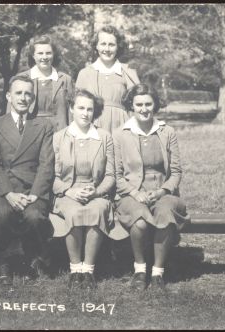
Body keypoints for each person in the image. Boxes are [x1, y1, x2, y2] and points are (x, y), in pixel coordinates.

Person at [113, 83, 190, 291]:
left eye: (148, 104)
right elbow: (116, 174)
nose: (144, 109)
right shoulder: (120, 134)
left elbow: (176, 172)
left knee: (165, 215)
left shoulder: (167, 131)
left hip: (163, 191)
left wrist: (162, 191)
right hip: (131, 193)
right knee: (139, 221)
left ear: (155, 105)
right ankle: (140, 270)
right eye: (139, 104)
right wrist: (134, 193)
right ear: (132, 106)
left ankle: (157, 273)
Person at [50, 89, 128, 289]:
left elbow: (111, 175)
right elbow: (53, 176)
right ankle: (75, 269)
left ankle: (88, 270)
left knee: (96, 210)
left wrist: (96, 192)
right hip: (67, 192)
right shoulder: (59, 137)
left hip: (97, 192)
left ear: (95, 112)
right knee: (74, 211)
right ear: (71, 109)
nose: (85, 113)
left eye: (90, 109)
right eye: (80, 108)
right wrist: (69, 191)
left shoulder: (104, 137)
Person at [0, 75, 55, 286]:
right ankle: (2, 262)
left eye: (28, 94)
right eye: (18, 93)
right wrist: (8, 193)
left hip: (32, 188)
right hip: (5, 188)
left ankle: (32, 259)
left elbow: (46, 164)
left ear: (33, 98)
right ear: (8, 96)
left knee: (34, 216)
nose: (23, 98)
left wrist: (35, 193)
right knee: (3, 214)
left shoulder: (43, 125)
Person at [75, 26, 140, 134]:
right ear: (96, 46)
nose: (107, 49)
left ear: (118, 47)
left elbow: (138, 106)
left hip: (121, 128)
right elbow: (76, 109)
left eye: (111, 45)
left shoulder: (128, 72)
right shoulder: (84, 73)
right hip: (92, 128)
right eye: (103, 44)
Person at [10, 35, 73, 130]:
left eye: (48, 53)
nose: (44, 57)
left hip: (59, 134)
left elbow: (72, 113)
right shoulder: (21, 78)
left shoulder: (65, 80)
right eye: (40, 53)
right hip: (30, 133)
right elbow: (12, 111)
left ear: (54, 54)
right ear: (33, 55)